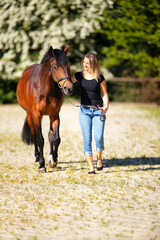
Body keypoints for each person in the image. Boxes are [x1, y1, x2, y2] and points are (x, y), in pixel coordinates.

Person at [71, 52, 109, 174]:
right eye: (84, 62)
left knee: (98, 138)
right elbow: (65, 83)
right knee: (87, 139)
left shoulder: (100, 77)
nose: (85, 65)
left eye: (88, 63)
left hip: (98, 111)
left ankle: (99, 159)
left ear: (93, 64)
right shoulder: (79, 75)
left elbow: (104, 94)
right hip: (84, 111)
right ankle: (91, 167)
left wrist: (106, 105)